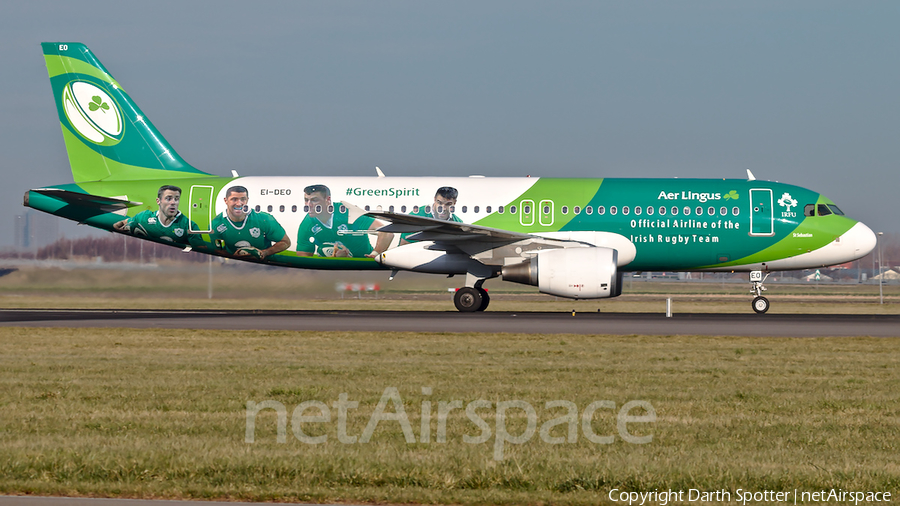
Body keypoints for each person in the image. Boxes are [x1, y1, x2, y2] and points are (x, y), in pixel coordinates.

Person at [296, 184, 393, 258]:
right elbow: (303, 258)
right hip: (336, 271)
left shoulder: (347, 212)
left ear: (328, 200)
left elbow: (387, 233)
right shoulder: (307, 225)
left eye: (314, 200)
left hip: (365, 263)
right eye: (306, 200)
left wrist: (375, 255)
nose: (308, 204)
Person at [209, 185, 290, 260]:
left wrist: (265, 253)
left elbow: (285, 242)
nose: (239, 203)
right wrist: (234, 257)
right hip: (233, 268)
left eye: (243, 199)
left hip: (266, 267)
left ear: (247, 200)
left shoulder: (264, 219)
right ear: (226, 200)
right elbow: (218, 251)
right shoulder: (216, 225)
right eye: (234, 199)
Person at [113, 185, 201, 246]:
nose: (173, 202)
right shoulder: (144, 218)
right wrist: (116, 227)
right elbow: (124, 222)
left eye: (176, 199)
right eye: (169, 198)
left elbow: (201, 250)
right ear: (158, 201)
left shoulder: (188, 226)